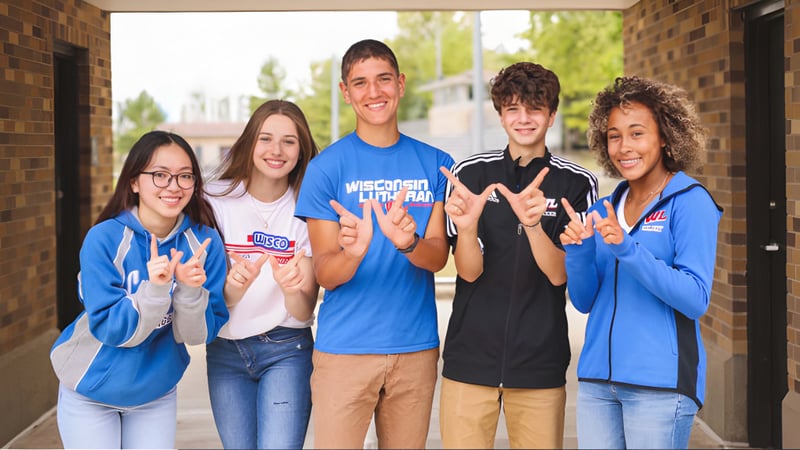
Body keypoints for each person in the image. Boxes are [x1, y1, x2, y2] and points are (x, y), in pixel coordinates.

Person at [294, 38, 454, 449]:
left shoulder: (437, 163)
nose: (374, 92)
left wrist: (407, 242)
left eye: (383, 79)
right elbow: (326, 273)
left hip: (415, 349)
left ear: (400, 84)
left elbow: (437, 257)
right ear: (346, 92)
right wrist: (353, 252)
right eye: (360, 83)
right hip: (344, 351)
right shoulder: (325, 169)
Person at [438, 61, 598, 449]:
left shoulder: (576, 183)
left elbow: (561, 275)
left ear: (552, 114)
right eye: (513, 109)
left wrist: (531, 225)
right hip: (468, 361)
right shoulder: (469, 175)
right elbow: (469, 272)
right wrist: (470, 226)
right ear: (500, 115)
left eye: (534, 109)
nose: (523, 119)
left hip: (540, 364)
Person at [559, 76, 722, 449]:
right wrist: (580, 251)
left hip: (660, 386)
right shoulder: (604, 209)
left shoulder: (690, 201)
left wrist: (627, 249)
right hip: (598, 382)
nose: (624, 147)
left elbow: (695, 297)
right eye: (614, 136)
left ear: (664, 137)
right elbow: (585, 301)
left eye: (637, 133)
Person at [49, 130, 229, 449]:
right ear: (134, 181)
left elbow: (198, 335)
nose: (174, 186)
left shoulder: (204, 244)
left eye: (185, 176)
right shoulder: (103, 239)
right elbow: (112, 330)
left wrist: (188, 291)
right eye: (160, 175)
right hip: (90, 389)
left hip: (153, 394)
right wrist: (156, 291)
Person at [204, 99, 320, 449]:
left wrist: (290, 290)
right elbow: (212, 301)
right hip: (225, 349)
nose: (276, 150)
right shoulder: (214, 200)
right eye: (266, 138)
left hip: (287, 347)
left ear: (301, 150)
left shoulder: (308, 207)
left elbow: (302, 311)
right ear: (249, 142)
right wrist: (233, 289)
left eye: (289, 141)